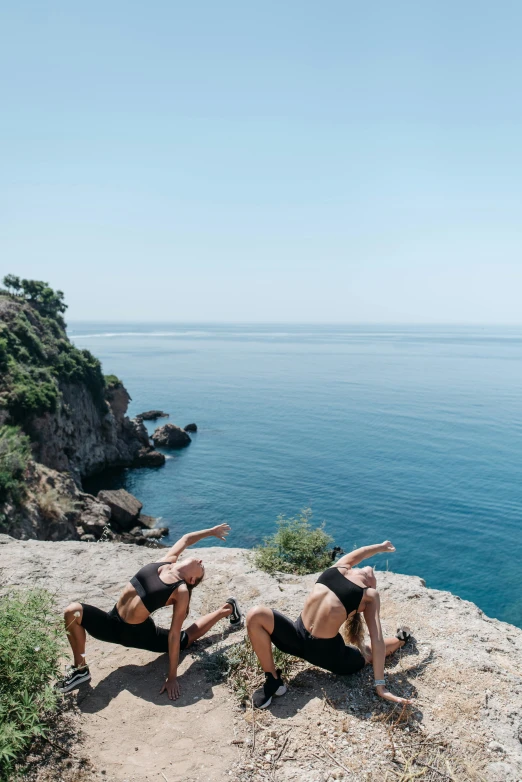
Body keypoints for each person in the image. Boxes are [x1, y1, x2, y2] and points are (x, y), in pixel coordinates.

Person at [57, 523, 242, 700]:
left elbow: (174, 634)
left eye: (201, 567)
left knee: (186, 638)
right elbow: (186, 539)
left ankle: (227, 609)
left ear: (192, 579)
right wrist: (211, 531)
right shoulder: (166, 561)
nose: (200, 561)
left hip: (139, 634)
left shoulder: (181, 590)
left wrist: (172, 677)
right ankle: (80, 670)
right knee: (73, 611)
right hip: (112, 623)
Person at [246, 540, 413, 708]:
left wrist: (380, 686)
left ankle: (401, 639)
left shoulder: (369, 596)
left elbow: (377, 639)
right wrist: (381, 547)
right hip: (296, 636)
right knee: (256, 615)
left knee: (367, 653)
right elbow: (362, 551)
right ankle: (273, 680)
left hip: (329, 655)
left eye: (373, 579)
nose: (369, 570)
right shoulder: (341, 566)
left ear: (370, 586)